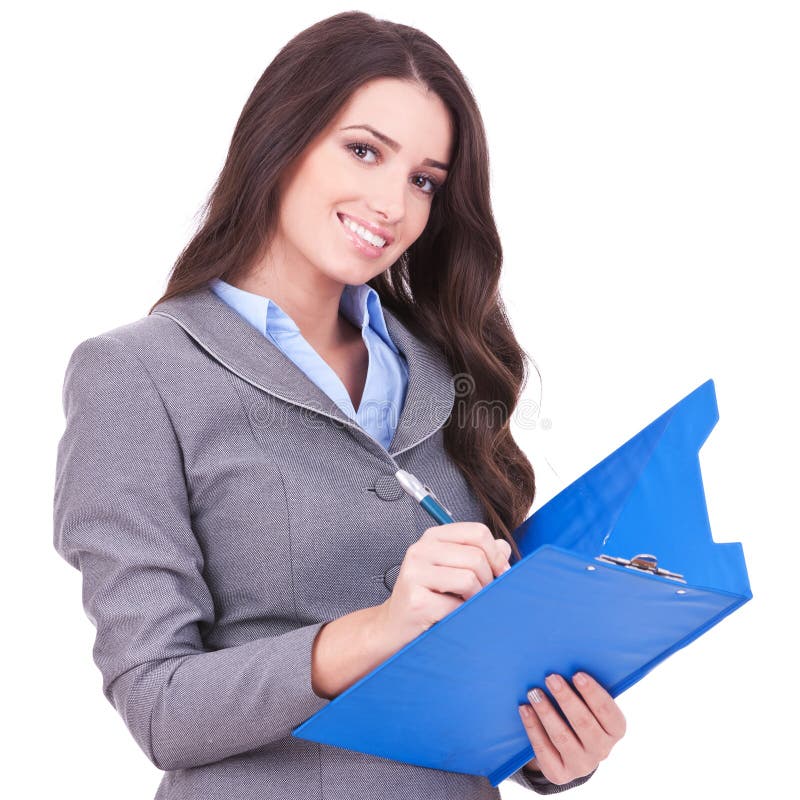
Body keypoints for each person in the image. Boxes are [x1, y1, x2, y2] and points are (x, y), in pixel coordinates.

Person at [53, 11, 625, 799]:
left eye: (424, 180)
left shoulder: (450, 366)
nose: (392, 203)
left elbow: (485, 657)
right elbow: (158, 704)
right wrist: (376, 631)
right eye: (364, 150)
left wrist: (554, 746)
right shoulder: (136, 374)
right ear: (280, 140)